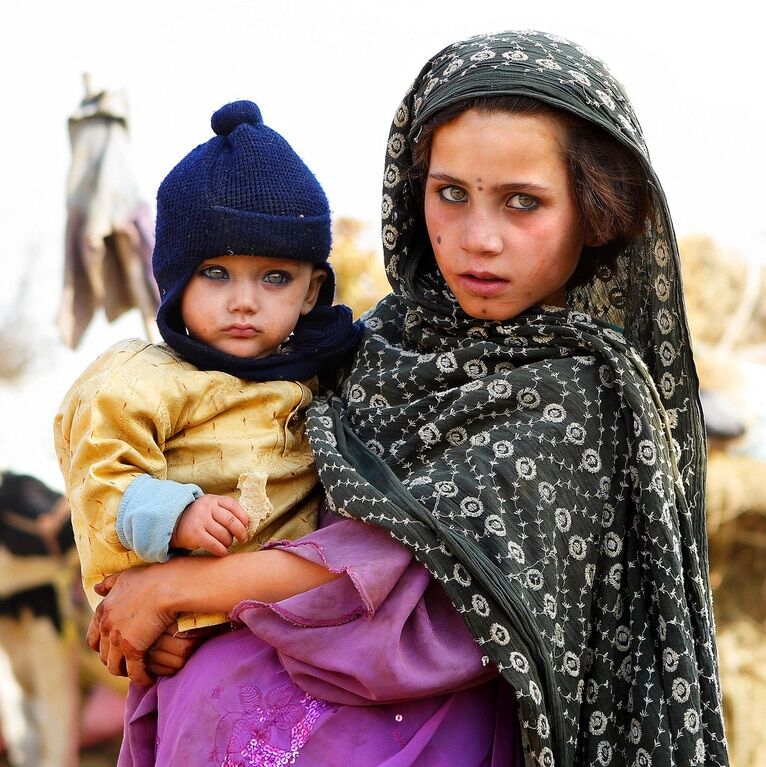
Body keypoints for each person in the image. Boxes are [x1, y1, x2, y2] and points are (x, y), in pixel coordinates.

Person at [86, 32, 729, 766]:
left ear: (595, 209)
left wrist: (181, 587)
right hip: (255, 679)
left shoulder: (581, 391)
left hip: (435, 733)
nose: (476, 238)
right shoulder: (377, 343)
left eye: (523, 202)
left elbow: (398, 557)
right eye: (450, 193)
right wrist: (178, 615)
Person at [54, 100, 361, 634]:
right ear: (175, 278)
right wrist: (175, 515)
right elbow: (99, 486)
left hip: (294, 624)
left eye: (275, 278)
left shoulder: (331, 373)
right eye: (216, 273)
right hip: (180, 626)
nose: (244, 302)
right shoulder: (139, 381)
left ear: (312, 290)